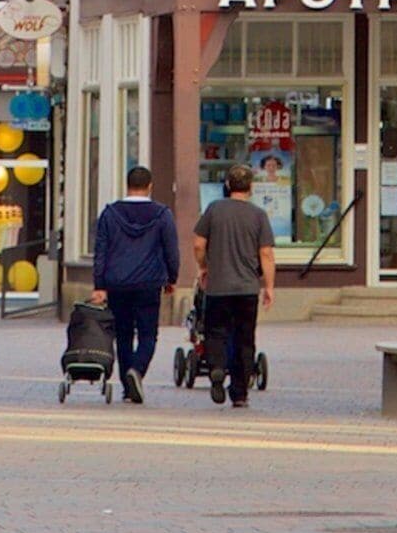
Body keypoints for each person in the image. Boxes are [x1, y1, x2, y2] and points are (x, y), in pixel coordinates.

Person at [87, 164, 182, 402]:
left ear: (127, 185)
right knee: (149, 334)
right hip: (149, 283)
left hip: (117, 283)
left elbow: (101, 251)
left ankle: (127, 387)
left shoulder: (110, 213)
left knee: (124, 334)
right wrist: (172, 278)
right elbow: (172, 250)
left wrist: (100, 285)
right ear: (150, 187)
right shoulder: (162, 214)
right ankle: (136, 371)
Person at [186, 167, 279, 408]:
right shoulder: (258, 215)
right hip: (247, 288)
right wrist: (269, 286)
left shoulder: (214, 209)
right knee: (244, 339)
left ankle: (216, 368)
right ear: (251, 187)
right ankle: (239, 393)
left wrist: (204, 266)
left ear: (227, 184)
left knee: (216, 331)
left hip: (218, 286)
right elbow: (266, 253)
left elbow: (198, 243)